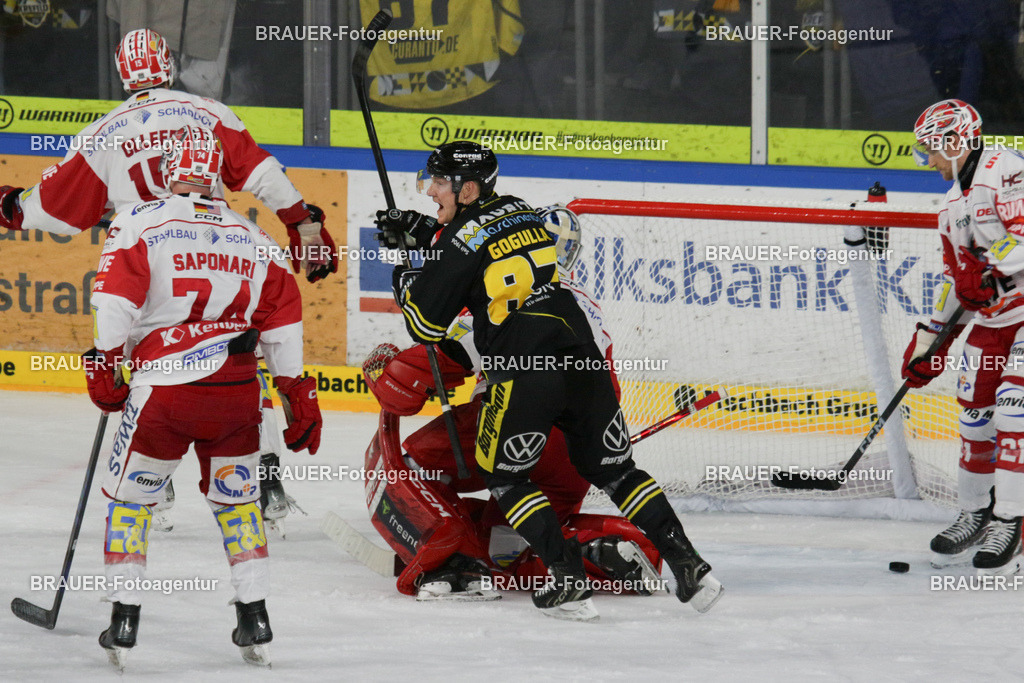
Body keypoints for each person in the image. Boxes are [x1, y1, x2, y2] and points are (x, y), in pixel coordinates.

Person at [0, 27, 335, 531]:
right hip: (219, 248)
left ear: (122, 75)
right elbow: (261, 173)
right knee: (237, 353)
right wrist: (302, 221)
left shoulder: (104, 132)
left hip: (150, 258)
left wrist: (11, 207)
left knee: (150, 365)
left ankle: (152, 487)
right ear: (169, 65)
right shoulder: (206, 111)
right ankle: (262, 483)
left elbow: (55, 208)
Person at [376, 141, 723, 620]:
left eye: (438, 182)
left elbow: (426, 326)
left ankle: (568, 580)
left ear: (469, 187)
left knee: (505, 476)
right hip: (581, 358)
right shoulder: (523, 211)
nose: (430, 189)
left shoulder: (458, 240)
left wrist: (408, 272)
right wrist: (429, 234)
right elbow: (480, 241)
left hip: (524, 367)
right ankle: (691, 567)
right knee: (619, 471)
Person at [84, 126, 323, 669]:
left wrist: (104, 361)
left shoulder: (140, 220)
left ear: (170, 172)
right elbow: (283, 327)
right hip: (237, 395)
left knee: (132, 502)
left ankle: (124, 617)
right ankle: (253, 614)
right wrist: (297, 396)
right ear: (217, 175)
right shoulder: (254, 236)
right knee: (238, 505)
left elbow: (117, 301)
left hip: (165, 394)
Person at [361, 206, 662, 601]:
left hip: (515, 422)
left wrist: (388, 367)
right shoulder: (583, 301)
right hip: (575, 452)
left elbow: (429, 373)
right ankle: (595, 550)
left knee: (414, 469)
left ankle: (453, 564)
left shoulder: (509, 290)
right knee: (509, 553)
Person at [902, 98, 1024, 575]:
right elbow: (958, 282)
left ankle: (1011, 521)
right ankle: (976, 512)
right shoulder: (951, 208)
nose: (927, 159)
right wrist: (931, 342)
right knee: (975, 418)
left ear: (954, 141)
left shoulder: (1005, 169)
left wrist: (991, 272)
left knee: (1015, 409)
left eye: (929, 149)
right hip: (994, 324)